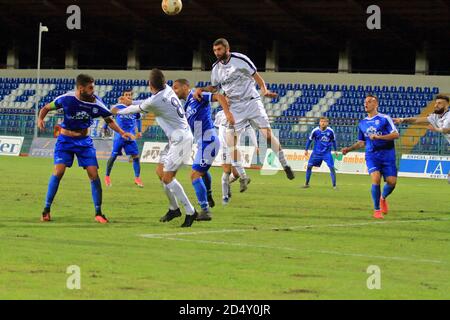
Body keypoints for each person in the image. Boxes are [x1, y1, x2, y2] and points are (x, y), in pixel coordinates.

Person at [193, 38, 295, 193]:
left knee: (266, 135)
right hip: (234, 106)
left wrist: (264, 90)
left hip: (252, 101)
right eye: (214, 50)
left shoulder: (240, 60)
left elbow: (257, 77)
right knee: (230, 141)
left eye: (219, 50)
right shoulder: (216, 68)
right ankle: (242, 176)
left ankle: (285, 164)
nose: (216, 53)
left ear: (227, 49)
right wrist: (201, 89)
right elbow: (214, 87)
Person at [37, 74, 135, 223]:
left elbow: (109, 120)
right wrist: (40, 119)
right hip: (65, 140)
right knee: (58, 171)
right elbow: (46, 108)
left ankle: (98, 212)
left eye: (93, 87)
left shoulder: (97, 103)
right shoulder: (66, 98)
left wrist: (122, 132)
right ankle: (46, 210)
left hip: (84, 142)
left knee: (93, 174)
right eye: (90, 88)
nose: (93, 91)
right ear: (81, 88)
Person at [116, 69, 198, 227]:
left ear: (149, 84)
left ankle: (190, 211)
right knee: (160, 173)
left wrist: (116, 111)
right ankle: (174, 209)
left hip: (181, 140)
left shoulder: (155, 101)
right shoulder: (167, 90)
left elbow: (138, 108)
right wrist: (130, 103)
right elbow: (146, 102)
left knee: (168, 178)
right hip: (176, 138)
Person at [172, 78, 233, 220]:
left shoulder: (196, 95)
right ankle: (209, 195)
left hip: (209, 140)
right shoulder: (186, 105)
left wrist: (228, 114)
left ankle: (205, 210)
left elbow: (219, 96)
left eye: (176, 88)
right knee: (202, 172)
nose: (174, 91)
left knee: (194, 175)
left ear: (186, 87)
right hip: (202, 142)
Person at [342, 95, 399, 219]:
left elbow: (396, 135)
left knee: (392, 182)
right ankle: (377, 209)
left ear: (376, 104)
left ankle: (382, 198)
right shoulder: (362, 123)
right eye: (364, 102)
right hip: (372, 155)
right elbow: (361, 142)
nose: (365, 104)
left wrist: (379, 137)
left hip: (388, 155)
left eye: (369, 102)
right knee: (376, 178)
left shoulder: (385, 118)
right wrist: (349, 149)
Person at [105, 88, 144, 188]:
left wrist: (139, 131)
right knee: (113, 157)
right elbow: (108, 117)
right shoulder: (118, 107)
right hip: (120, 136)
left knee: (136, 156)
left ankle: (137, 178)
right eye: (126, 94)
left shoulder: (135, 108)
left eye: (130, 95)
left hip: (130, 136)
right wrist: (105, 127)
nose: (128, 96)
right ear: (123, 96)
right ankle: (107, 176)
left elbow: (138, 119)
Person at [303, 117, 337, 189]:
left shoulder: (330, 131)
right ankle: (306, 183)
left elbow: (333, 141)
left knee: (332, 167)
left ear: (327, 123)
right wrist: (306, 149)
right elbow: (309, 140)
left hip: (326, 153)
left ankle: (334, 185)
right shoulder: (315, 131)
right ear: (319, 123)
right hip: (316, 153)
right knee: (309, 166)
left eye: (325, 121)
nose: (323, 123)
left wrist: (336, 150)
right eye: (321, 121)